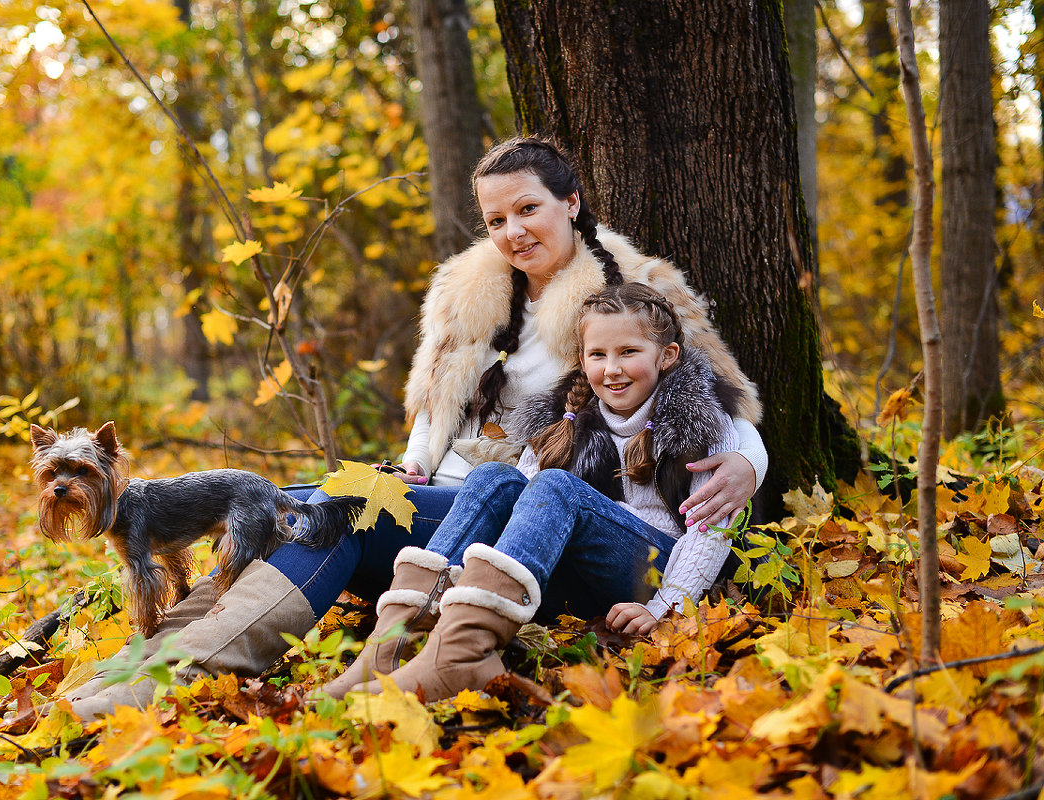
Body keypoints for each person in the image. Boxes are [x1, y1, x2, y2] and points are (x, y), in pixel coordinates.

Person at [58, 138, 766, 719]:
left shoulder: (628, 293)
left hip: (532, 527)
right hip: (450, 511)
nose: (513, 231)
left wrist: (751, 468)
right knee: (301, 498)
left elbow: (717, 400)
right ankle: (147, 662)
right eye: (495, 219)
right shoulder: (470, 293)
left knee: (333, 505)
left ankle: (169, 678)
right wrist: (409, 471)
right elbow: (433, 411)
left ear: (571, 204)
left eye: (529, 209)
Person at [330, 283, 747, 701]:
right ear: (582, 360)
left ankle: (461, 655)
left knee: (556, 486)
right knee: (495, 477)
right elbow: (524, 504)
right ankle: (390, 645)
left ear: (667, 355)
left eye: (629, 352)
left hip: (653, 574)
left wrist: (664, 609)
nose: (612, 369)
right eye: (598, 355)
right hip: (579, 578)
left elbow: (708, 534)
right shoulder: (564, 416)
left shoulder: (701, 421)